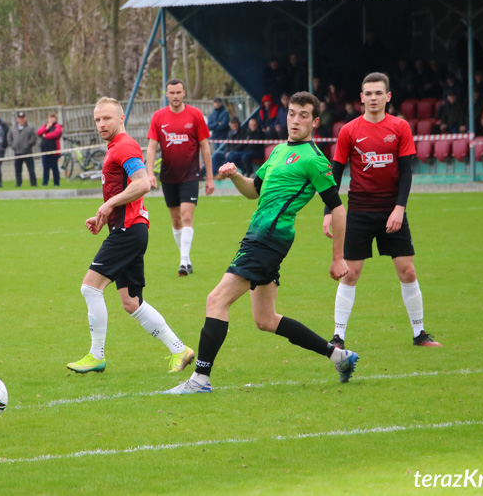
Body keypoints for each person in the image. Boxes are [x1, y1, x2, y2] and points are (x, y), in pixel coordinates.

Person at [165, 92, 358, 395]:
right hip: (260, 235)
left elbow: (338, 208)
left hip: (269, 238)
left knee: (216, 300)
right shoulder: (280, 150)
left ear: (315, 121)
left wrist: (338, 257)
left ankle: (200, 380)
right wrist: (234, 176)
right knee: (265, 319)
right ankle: (340, 356)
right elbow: (254, 190)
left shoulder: (314, 160)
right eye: (292, 113)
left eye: (303, 115)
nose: (295, 120)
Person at [66, 97, 195, 375]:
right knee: (131, 302)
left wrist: (109, 205)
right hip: (128, 229)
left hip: (129, 230)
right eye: (97, 119)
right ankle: (180, 350)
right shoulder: (115, 147)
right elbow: (125, 191)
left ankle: (96, 355)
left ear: (121, 118)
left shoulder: (124, 146)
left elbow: (142, 183)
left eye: (107, 118)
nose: (101, 124)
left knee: (90, 288)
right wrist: (104, 215)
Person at [323, 72, 441, 350]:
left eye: (379, 93)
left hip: (392, 210)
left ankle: (420, 333)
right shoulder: (348, 130)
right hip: (360, 210)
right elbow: (335, 174)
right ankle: (338, 337)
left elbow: (406, 172)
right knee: (350, 273)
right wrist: (328, 211)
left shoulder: (400, 127)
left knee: (408, 271)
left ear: (388, 97)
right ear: (361, 98)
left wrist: (400, 208)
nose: (373, 98)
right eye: (368, 94)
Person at [146, 79, 215, 277]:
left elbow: (205, 147)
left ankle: (183, 261)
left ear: (184, 93)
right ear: (166, 94)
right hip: (168, 175)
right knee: (176, 221)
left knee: (186, 216)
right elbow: (151, 148)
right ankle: (186, 257)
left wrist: (209, 178)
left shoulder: (195, 115)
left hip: (190, 175)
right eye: (172, 93)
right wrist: (150, 173)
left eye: (178, 92)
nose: (175, 96)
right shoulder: (158, 117)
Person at [7, 111, 37, 187]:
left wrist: (28, 144)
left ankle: (33, 184)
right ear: (17, 119)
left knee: (31, 169)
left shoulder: (30, 128)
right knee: (18, 170)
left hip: (27, 152)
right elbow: (9, 138)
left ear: (25, 118)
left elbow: (34, 138)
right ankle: (18, 183)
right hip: (17, 152)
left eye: (23, 118)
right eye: (20, 118)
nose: (21, 120)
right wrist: (13, 145)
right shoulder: (13, 129)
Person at [37, 112, 64, 186]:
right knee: (46, 168)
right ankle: (45, 183)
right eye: (50, 118)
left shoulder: (58, 126)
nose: (51, 119)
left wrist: (45, 135)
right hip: (45, 151)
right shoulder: (46, 126)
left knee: (55, 168)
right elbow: (39, 132)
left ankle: (56, 183)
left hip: (54, 151)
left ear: (56, 119)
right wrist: (46, 128)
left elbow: (55, 134)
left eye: (53, 118)